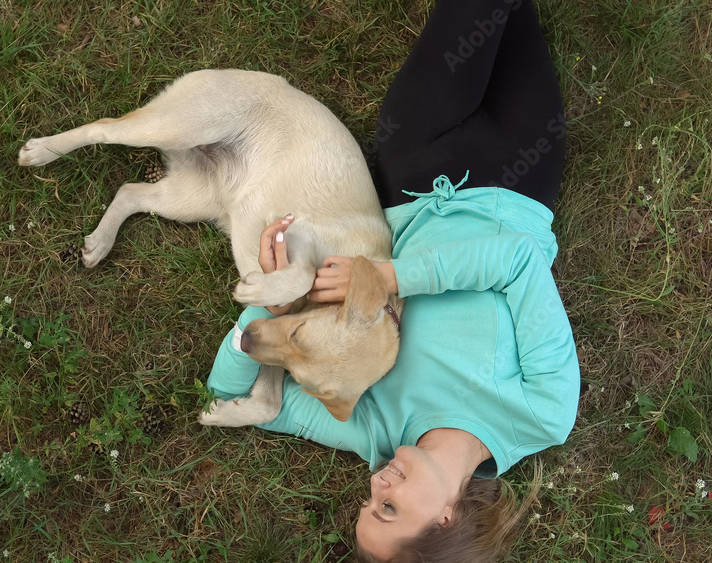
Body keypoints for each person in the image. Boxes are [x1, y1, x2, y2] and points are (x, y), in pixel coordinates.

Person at [206, 0, 580, 561]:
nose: (376, 485)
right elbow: (519, 263)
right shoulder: (541, 413)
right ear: (446, 519)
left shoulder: (374, 431)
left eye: (368, 503)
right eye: (388, 507)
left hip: (420, 161)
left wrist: (277, 308)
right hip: (522, 171)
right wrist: (390, 277)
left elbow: (231, 392)